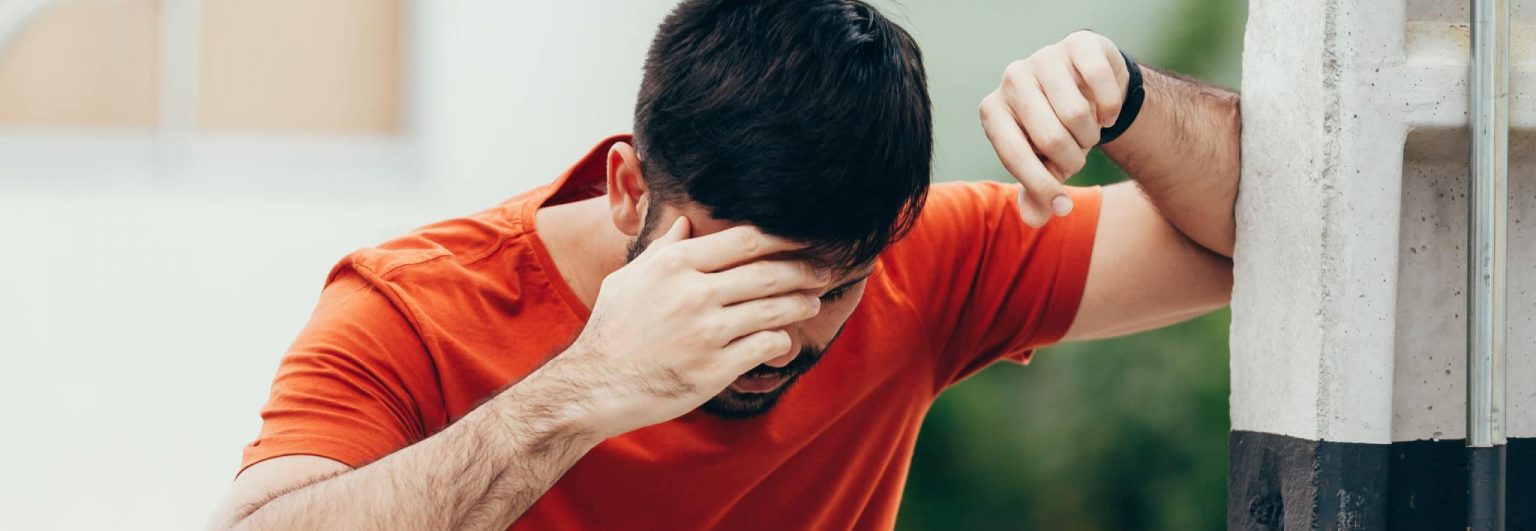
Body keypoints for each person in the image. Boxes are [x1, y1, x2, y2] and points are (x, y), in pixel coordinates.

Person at [207, 0, 1238, 529]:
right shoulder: (413, 303)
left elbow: (1269, 237)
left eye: (830, 287)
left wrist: (1127, 99)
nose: (779, 336)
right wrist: (580, 394)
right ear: (626, 190)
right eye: (736, 274)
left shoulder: (926, 261)